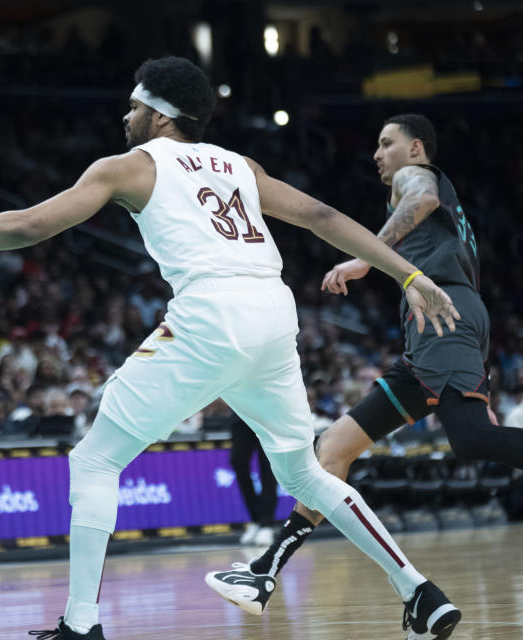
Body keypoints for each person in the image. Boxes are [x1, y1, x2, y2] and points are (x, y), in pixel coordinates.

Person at [0, 58, 462, 640]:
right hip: (273, 312)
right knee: (302, 469)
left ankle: (81, 623)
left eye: (132, 105)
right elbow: (325, 215)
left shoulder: (131, 166)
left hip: (211, 313)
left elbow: (30, 225)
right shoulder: (240, 165)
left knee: (93, 462)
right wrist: (408, 274)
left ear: (159, 115)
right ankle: (418, 588)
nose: (124, 117)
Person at [206, 114, 523, 624]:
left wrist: (363, 260)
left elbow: (422, 199)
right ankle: (265, 572)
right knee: (331, 451)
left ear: (416, 148)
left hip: (444, 314)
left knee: (470, 438)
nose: (377, 153)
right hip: (432, 326)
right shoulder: (424, 193)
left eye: (386, 143)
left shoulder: (413, 177)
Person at [228, 411, 278, 547]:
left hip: (266, 413)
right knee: (237, 460)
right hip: (240, 410)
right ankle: (256, 519)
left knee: (268, 466)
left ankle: (267, 524)